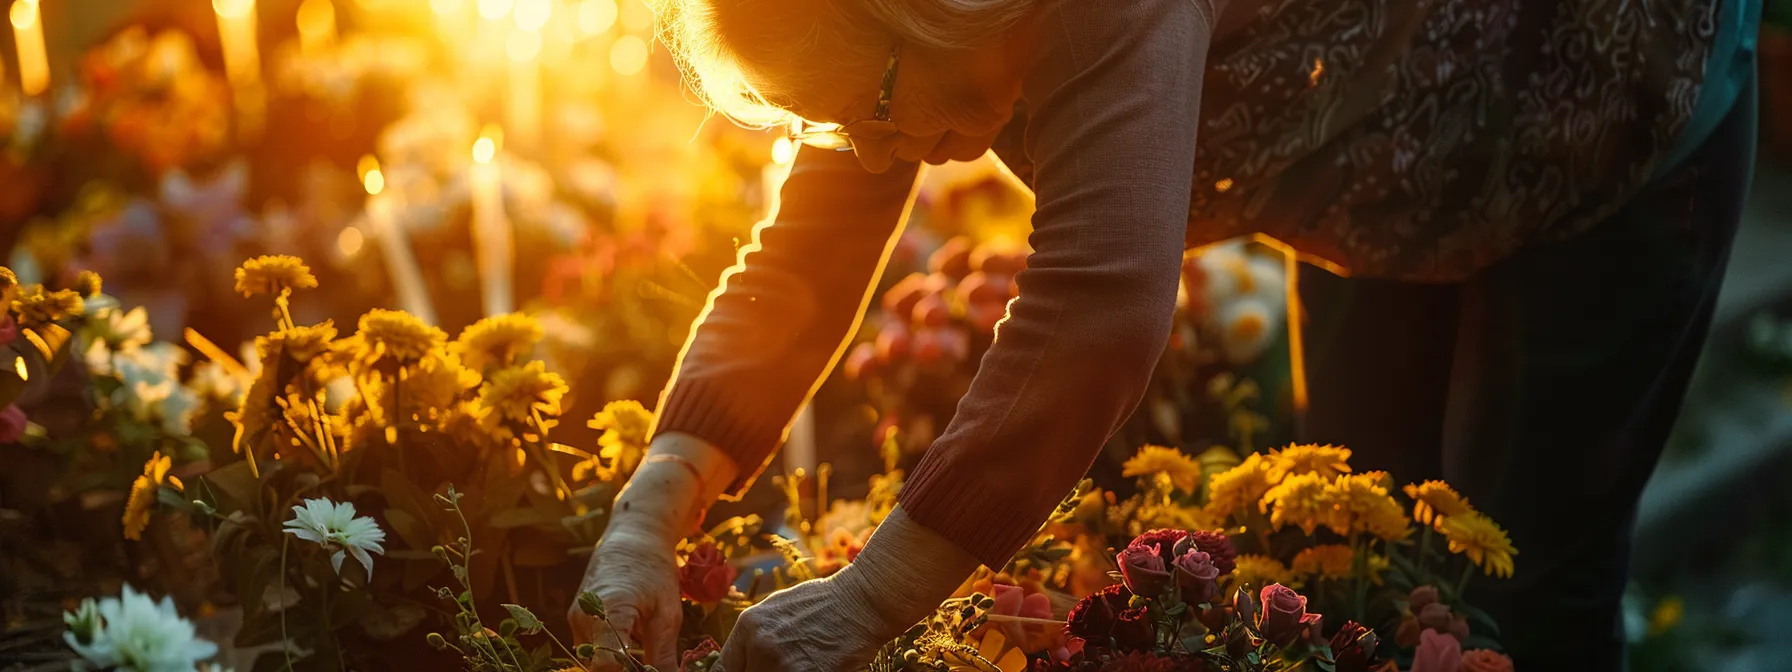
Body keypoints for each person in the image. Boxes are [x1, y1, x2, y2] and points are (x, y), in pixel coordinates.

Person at [569, 0, 1762, 669]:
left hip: (1605, 104)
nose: (871, 154)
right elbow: (808, 245)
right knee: (1359, 588)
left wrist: (867, 602)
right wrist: (649, 513)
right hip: (1386, 162)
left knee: (1522, 609)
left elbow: (1096, 306)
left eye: (870, 113)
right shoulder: (891, 52)